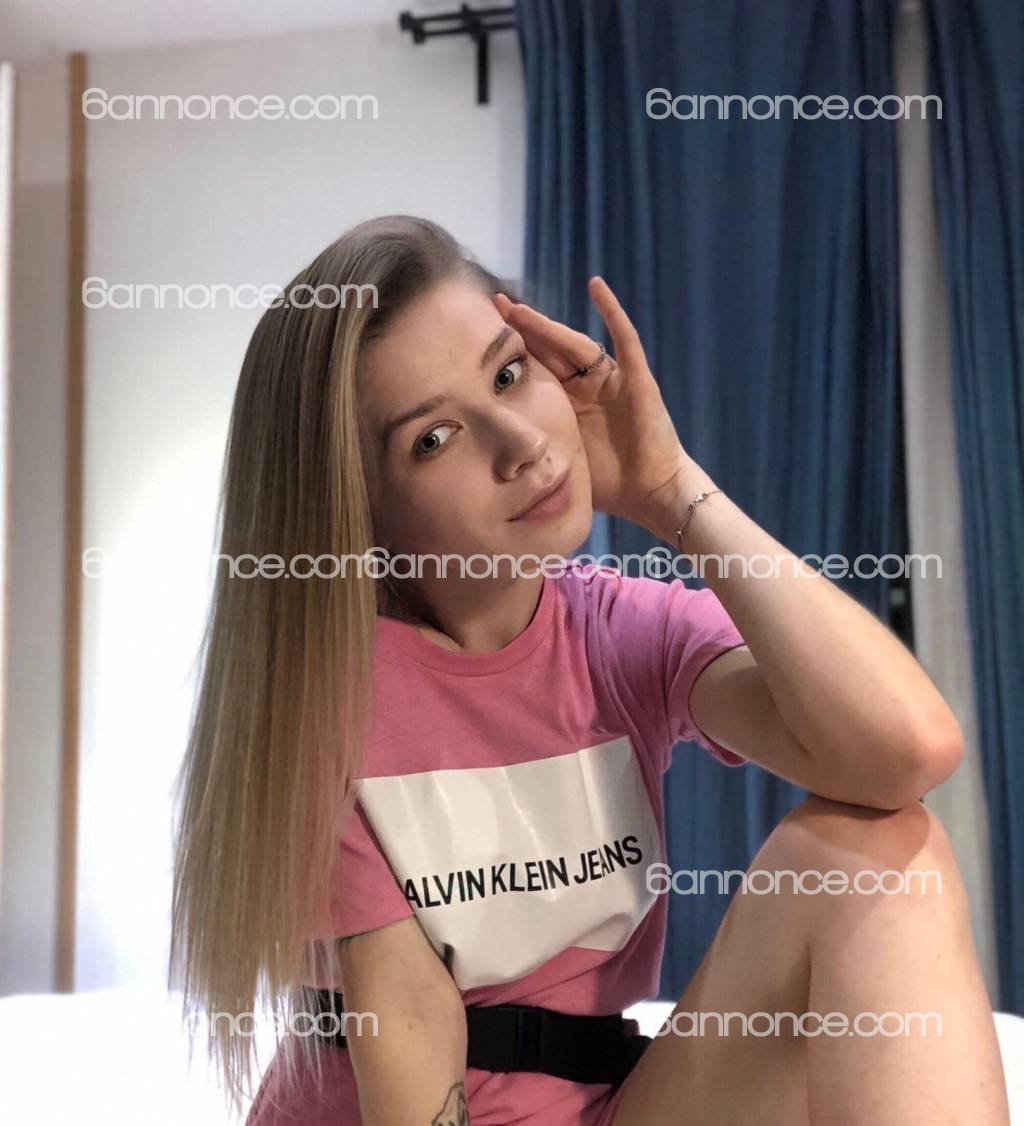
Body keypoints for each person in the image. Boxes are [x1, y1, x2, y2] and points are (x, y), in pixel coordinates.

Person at [170, 215, 1010, 1125]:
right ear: (357, 507)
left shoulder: (615, 630)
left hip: (607, 1102)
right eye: (435, 439)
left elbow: (904, 754)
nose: (521, 444)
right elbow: (410, 1034)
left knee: (876, 854)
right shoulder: (325, 707)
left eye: (508, 374)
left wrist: (670, 489)